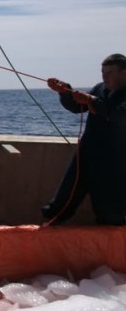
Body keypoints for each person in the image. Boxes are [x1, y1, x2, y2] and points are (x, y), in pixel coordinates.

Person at [42, 53, 126, 226]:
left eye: (109, 72)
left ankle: (111, 248)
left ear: (123, 73)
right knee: (63, 200)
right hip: (86, 154)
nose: (104, 76)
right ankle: (45, 230)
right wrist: (65, 92)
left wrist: (91, 101)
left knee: (110, 209)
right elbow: (77, 107)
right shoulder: (99, 88)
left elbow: (118, 114)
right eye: (103, 72)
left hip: (114, 161)